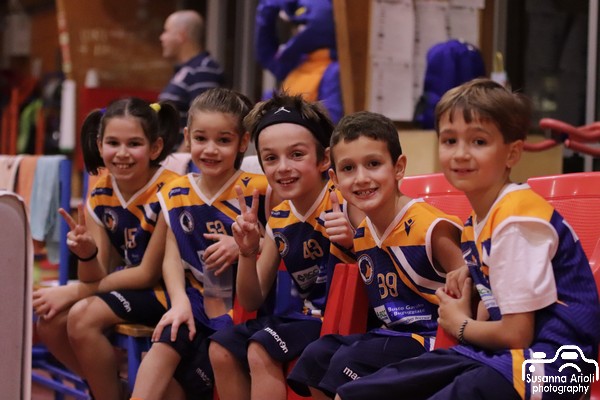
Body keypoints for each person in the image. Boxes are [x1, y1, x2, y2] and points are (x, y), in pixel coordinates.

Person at [333, 78, 600, 400]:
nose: (460, 154)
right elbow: (493, 310)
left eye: (478, 141)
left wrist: (459, 323)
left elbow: (516, 333)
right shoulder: (476, 221)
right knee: (356, 393)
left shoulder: (515, 219)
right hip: (503, 355)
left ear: (512, 153)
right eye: (450, 140)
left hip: (556, 367)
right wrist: (471, 283)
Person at [286, 110, 466, 399]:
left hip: (434, 341)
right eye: (348, 168)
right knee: (317, 355)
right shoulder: (362, 235)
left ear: (398, 167)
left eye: (373, 164)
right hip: (391, 335)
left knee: (349, 362)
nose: (361, 178)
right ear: (334, 178)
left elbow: (472, 285)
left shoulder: (432, 228)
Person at [208, 92, 362, 400]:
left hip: (347, 324)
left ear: (324, 159)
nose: (282, 167)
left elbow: (382, 269)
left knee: (260, 347)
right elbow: (251, 299)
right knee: (221, 347)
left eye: (296, 155)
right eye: (270, 158)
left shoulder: (347, 202)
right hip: (306, 319)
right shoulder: (278, 218)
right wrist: (247, 252)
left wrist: (353, 240)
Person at [33, 98, 181, 400]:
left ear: (155, 148)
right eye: (113, 143)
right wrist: (86, 253)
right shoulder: (100, 192)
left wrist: (74, 291)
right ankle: (114, 390)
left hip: (171, 292)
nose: (122, 153)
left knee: (81, 317)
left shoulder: (172, 189)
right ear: (100, 146)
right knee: (50, 323)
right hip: (126, 288)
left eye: (134, 143)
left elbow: (147, 274)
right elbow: (95, 274)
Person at [130, 88, 272, 400]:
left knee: (207, 369)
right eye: (200, 138)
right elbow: (171, 257)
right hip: (195, 298)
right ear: (187, 137)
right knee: (167, 338)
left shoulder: (260, 189)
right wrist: (179, 301)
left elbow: (279, 242)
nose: (210, 149)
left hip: (245, 306)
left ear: (243, 142)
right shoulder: (175, 192)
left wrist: (244, 247)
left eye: (223, 140)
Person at [255, 0, 343, 123]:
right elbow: (265, 54)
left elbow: (330, 122)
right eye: (294, 25)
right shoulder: (298, 62)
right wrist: (269, 7)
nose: (295, 31)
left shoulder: (333, 71)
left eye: (299, 25)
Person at [159, 9, 225, 147]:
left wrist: (179, 158)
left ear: (181, 35)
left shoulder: (203, 69)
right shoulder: (187, 70)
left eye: (166, 31)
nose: (162, 37)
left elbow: (204, 121)